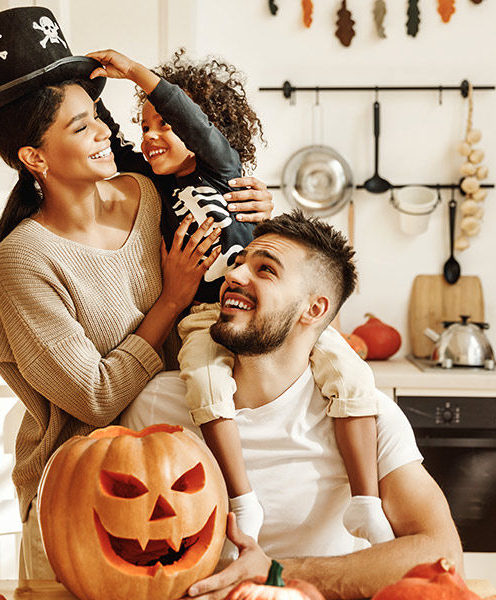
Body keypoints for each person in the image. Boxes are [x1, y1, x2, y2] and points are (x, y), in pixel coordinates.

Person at [0, 7, 273, 579]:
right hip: (83, 512)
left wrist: (257, 211)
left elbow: (208, 173)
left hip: (186, 494)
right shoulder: (25, 259)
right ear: (34, 157)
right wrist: (169, 303)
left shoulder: (148, 191)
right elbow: (95, 397)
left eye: (97, 117)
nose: (107, 132)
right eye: (81, 128)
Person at [87, 48, 391, 547]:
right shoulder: (148, 188)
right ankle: (242, 501)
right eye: (144, 126)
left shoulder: (223, 170)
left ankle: (366, 503)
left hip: (271, 312)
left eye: (163, 123)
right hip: (205, 318)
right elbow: (108, 143)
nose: (151, 136)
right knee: (205, 383)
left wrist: (139, 75)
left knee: (351, 373)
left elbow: (191, 120)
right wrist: (86, 88)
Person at [121, 210, 463, 599]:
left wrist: (275, 572)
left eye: (265, 270)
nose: (233, 275)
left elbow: (442, 555)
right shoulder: (157, 405)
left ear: (313, 309)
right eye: (237, 262)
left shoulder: (369, 417)